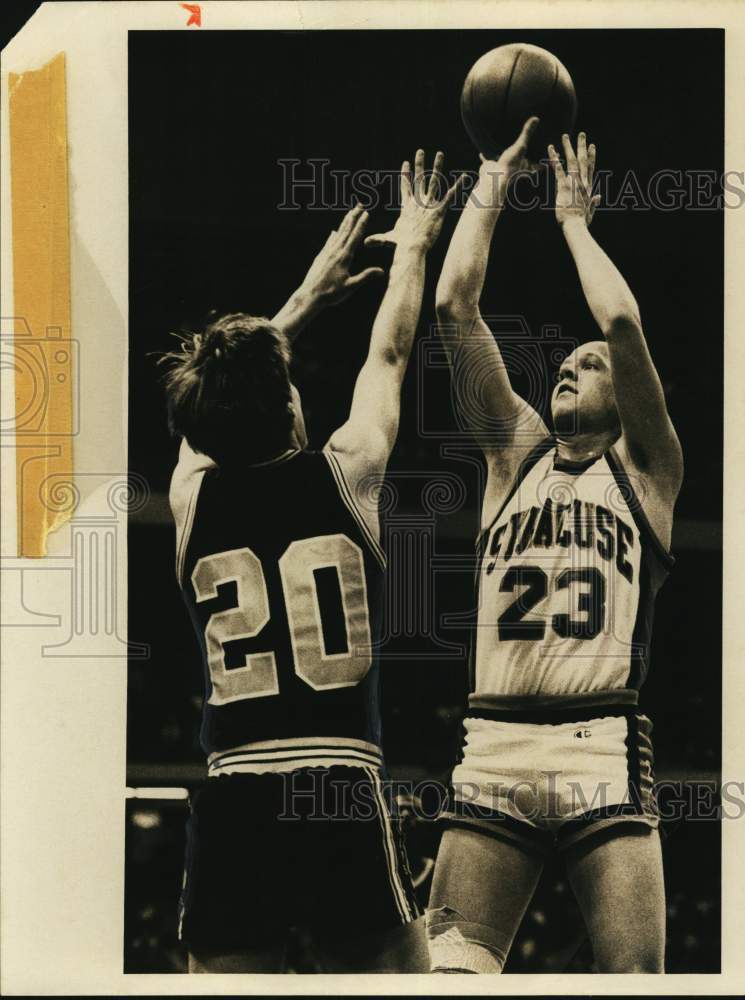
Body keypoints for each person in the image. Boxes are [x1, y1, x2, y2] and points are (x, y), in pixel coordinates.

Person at [163, 151, 464, 973]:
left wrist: (295, 305)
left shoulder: (190, 494)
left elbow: (203, 408)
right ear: (289, 401)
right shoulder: (347, 466)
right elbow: (390, 355)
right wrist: (413, 245)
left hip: (234, 794)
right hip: (336, 784)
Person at [425, 120, 684, 973]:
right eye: (564, 364)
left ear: (629, 396)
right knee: (447, 978)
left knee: (635, 982)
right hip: (493, 747)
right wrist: (494, 180)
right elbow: (452, 307)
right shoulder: (514, 452)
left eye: (590, 366)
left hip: (599, 748)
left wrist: (574, 221)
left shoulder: (647, 470)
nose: (570, 367)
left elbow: (620, 322)